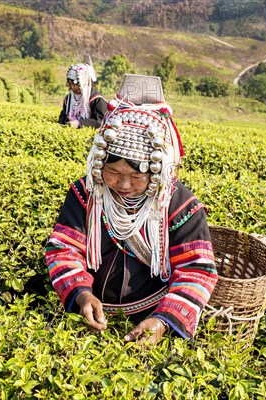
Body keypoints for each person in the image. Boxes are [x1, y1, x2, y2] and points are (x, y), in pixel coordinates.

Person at [46, 94, 218, 344]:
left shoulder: (180, 205)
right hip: (89, 311)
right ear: (98, 165)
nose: (124, 184)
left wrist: (162, 321)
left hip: (152, 316)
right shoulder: (86, 193)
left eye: (136, 177)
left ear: (158, 171)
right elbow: (63, 249)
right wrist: (81, 294)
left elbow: (196, 270)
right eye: (113, 172)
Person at [58, 63, 108, 129]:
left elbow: (100, 121)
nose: (72, 87)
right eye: (70, 83)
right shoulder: (68, 99)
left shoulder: (97, 99)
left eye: (75, 84)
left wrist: (79, 123)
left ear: (84, 83)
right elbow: (62, 118)